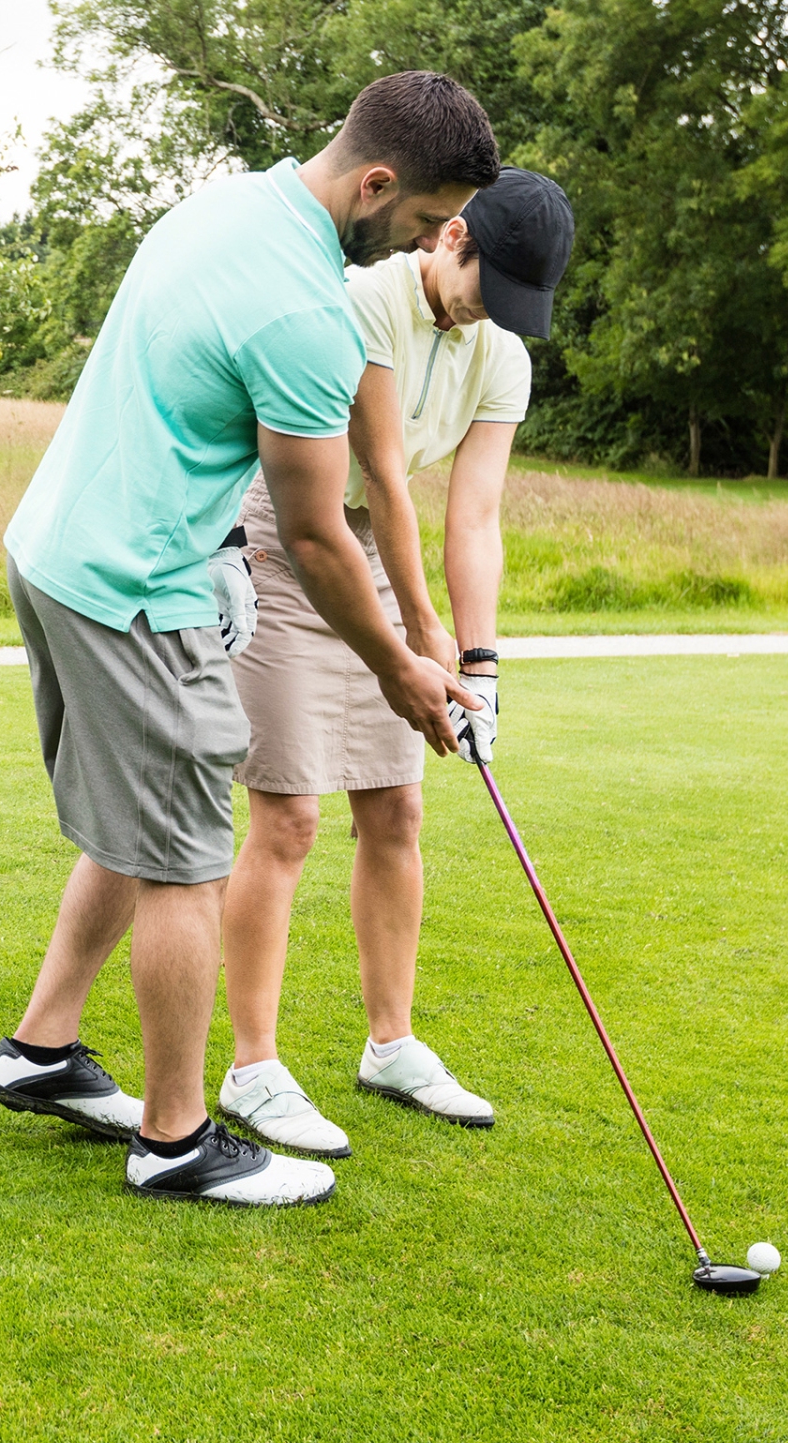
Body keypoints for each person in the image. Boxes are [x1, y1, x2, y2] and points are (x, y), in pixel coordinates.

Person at [0, 72, 501, 1207]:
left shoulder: (223, 204)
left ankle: (41, 1051)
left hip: (55, 545)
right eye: (418, 220)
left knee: (137, 824)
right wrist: (405, 672)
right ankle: (173, 1143)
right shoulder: (306, 315)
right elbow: (318, 540)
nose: (416, 241)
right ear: (377, 182)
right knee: (185, 859)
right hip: (133, 583)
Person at [216, 168, 575, 1158]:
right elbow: (378, 472)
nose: (488, 318)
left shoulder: (499, 351)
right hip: (291, 545)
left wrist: (483, 661)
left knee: (397, 805)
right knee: (288, 815)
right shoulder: (364, 302)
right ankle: (253, 1068)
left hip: (382, 551)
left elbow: (476, 513)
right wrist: (420, 631)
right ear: (450, 236)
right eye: (485, 288)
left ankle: (391, 1045)